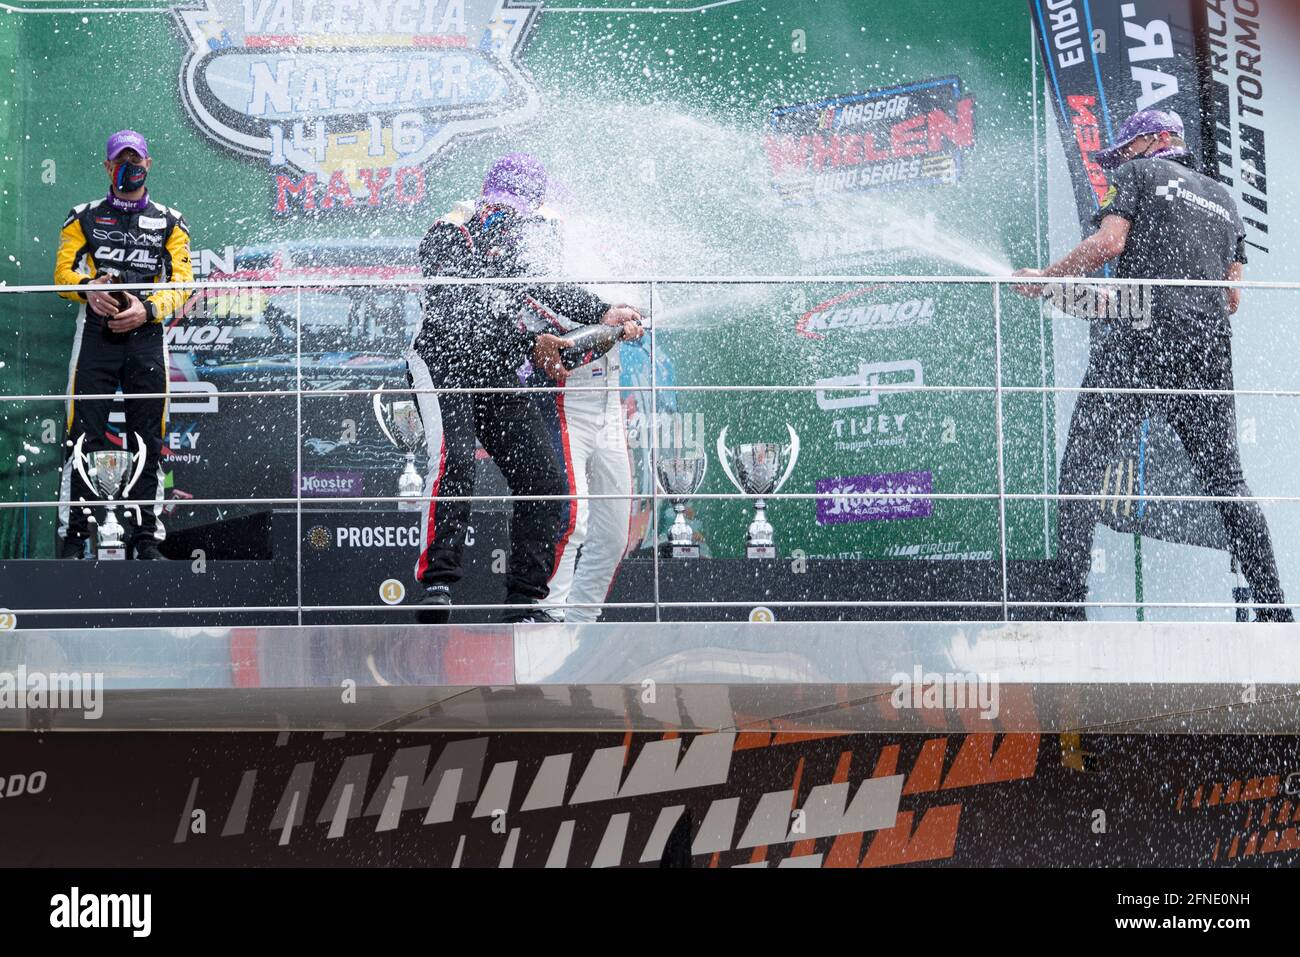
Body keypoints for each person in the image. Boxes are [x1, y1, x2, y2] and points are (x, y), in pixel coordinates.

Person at [1013, 109, 1291, 621]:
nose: (1116, 161)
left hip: (1141, 335)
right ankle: (1277, 613)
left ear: (1157, 141)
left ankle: (1066, 609)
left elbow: (1109, 243)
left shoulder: (1137, 175)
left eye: (1123, 151)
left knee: (1082, 468)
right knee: (1226, 481)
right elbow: (1230, 297)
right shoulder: (1227, 201)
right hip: (1207, 344)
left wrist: (1048, 281)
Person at [407, 152, 642, 623]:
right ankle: (438, 586)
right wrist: (530, 341)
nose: (517, 220)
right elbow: (459, 316)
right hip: (442, 361)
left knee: (546, 480)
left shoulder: (513, 240)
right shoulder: (447, 233)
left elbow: (544, 287)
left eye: (524, 213)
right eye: (512, 210)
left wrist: (603, 310)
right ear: (488, 203)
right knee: (454, 460)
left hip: (493, 368)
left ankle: (525, 601)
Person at [54, 130, 193, 560]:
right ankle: (74, 537)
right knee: (82, 435)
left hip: (146, 337)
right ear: (107, 166)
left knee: (148, 437)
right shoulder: (82, 217)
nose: (127, 168)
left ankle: (145, 538)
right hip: (95, 335)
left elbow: (183, 283)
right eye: (119, 161)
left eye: (135, 160)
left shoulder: (171, 222)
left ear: (148, 164)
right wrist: (87, 289)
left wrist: (149, 310)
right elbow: (60, 276)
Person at [521, 233, 644, 623]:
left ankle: (580, 626)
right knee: (571, 520)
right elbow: (564, 352)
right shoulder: (539, 282)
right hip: (564, 405)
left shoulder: (606, 277)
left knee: (613, 536)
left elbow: (630, 316)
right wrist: (614, 327)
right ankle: (547, 617)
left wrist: (633, 316)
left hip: (609, 406)